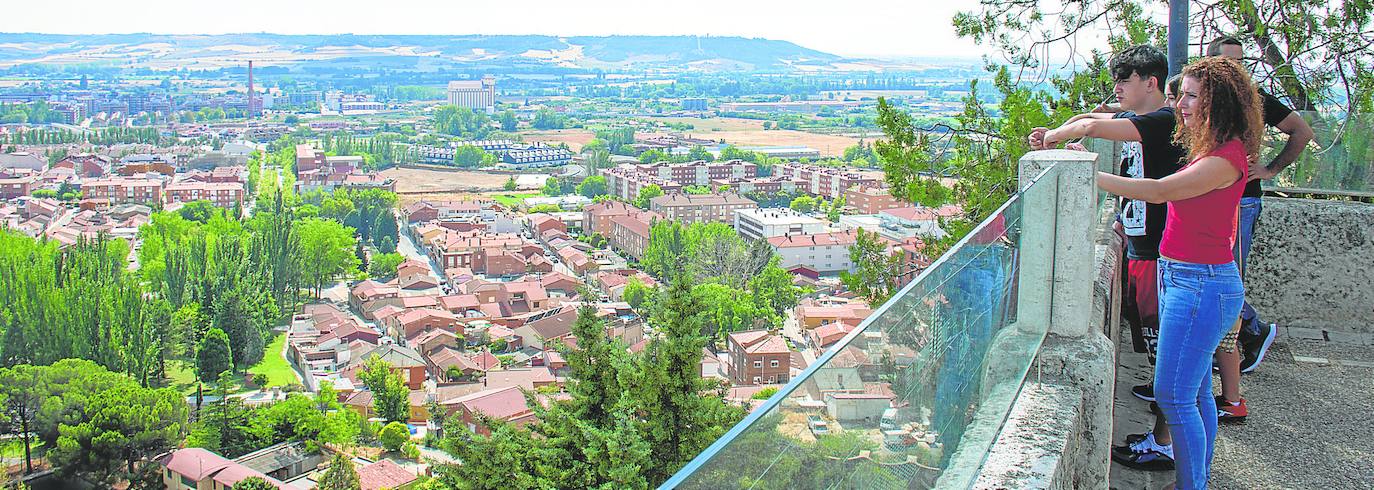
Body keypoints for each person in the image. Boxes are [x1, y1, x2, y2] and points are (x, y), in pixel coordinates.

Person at [1096, 56, 1263, 490]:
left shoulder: (1225, 158)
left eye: (1190, 95)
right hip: (1187, 277)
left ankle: (1193, 484)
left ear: (1217, 102)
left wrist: (1091, 176)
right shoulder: (1212, 149)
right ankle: (1197, 479)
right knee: (1195, 392)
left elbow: (1161, 191)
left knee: (1172, 395)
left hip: (1202, 283)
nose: (1181, 103)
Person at [1028, 46, 1186, 472]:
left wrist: (1057, 139)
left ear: (1150, 82)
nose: (1117, 88)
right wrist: (1063, 134)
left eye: (1125, 80)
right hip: (1141, 246)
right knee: (1157, 350)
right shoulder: (1142, 123)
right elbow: (1093, 124)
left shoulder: (1162, 121)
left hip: (1157, 251)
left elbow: (1091, 124)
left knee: (1165, 352)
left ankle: (1167, 444)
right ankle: (1161, 436)